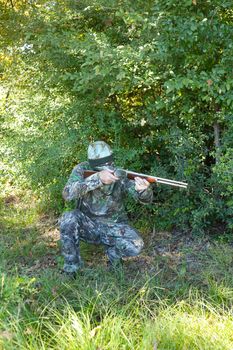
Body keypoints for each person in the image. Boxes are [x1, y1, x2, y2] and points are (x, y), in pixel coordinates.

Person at [59, 141, 153, 275]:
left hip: (113, 226)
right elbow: (67, 194)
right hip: (88, 225)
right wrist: (98, 179)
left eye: (109, 162)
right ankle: (71, 268)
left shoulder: (119, 173)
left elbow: (145, 199)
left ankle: (113, 257)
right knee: (68, 218)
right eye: (101, 164)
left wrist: (143, 191)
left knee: (136, 245)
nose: (108, 167)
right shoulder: (82, 169)